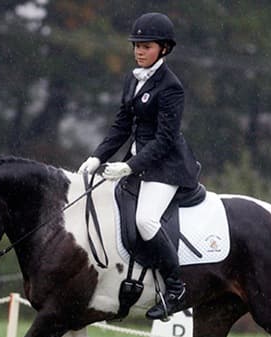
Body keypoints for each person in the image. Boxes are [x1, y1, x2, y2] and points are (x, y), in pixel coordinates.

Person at [78, 12, 201, 320]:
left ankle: (176, 289)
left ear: (164, 49)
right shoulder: (133, 79)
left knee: (145, 220)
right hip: (139, 162)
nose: (139, 51)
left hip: (166, 167)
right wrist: (97, 157)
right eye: (136, 46)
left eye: (146, 46)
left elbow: (164, 140)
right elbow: (122, 125)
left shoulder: (171, 87)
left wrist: (129, 167)